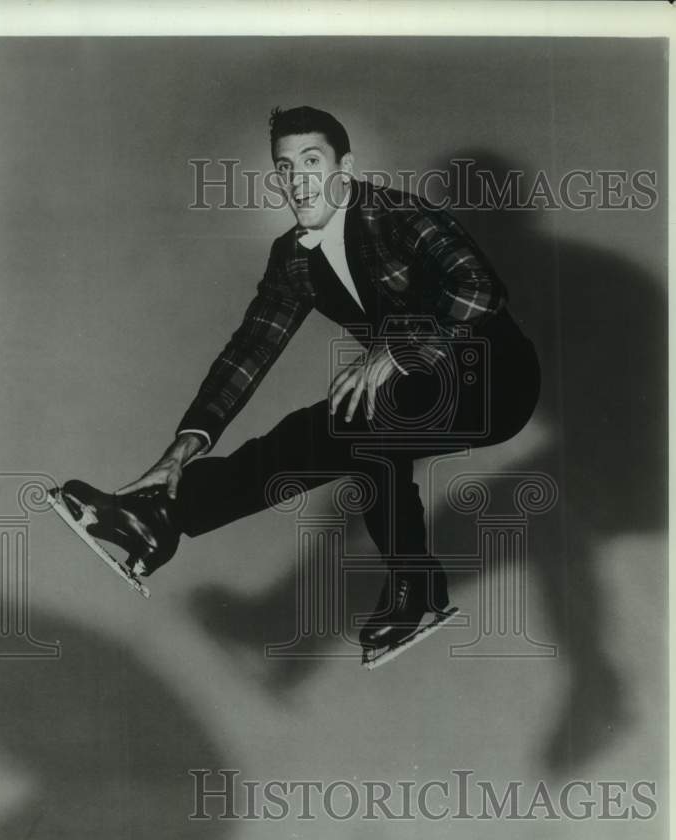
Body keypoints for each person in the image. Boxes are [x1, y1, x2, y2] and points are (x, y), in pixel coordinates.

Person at [61, 106, 540, 654]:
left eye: (312, 161)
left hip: (497, 381)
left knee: (359, 423)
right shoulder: (292, 257)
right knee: (328, 431)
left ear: (345, 167)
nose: (298, 180)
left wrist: (398, 348)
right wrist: (187, 441)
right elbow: (250, 350)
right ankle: (162, 517)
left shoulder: (399, 215)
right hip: (415, 388)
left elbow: (480, 288)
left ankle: (411, 583)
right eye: (285, 168)